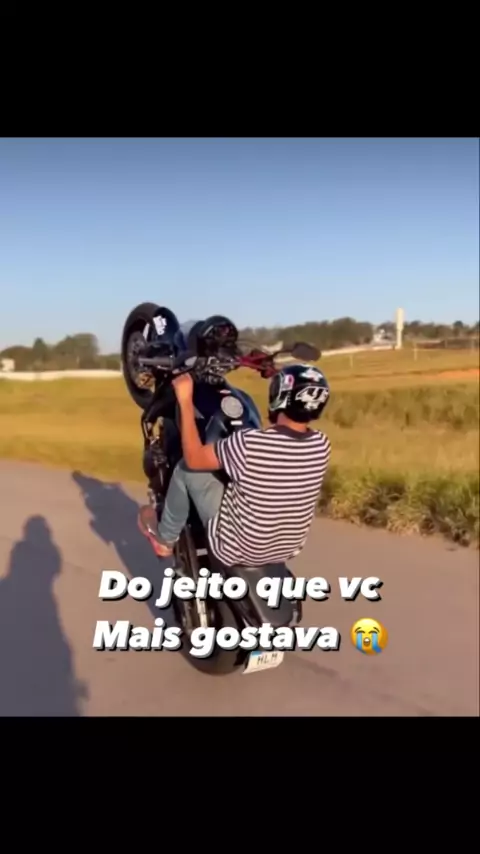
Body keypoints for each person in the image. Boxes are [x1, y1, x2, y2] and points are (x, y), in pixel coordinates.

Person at [138, 363, 331, 567]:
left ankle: (165, 540)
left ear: (280, 396)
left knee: (186, 468)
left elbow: (194, 458)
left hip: (236, 550)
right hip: (287, 549)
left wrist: (185, 400)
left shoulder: (249, 444)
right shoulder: (321, 444)